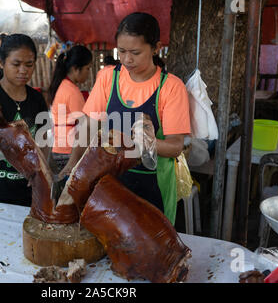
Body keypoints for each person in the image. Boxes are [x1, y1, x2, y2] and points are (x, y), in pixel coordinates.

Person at [60, 12, 191, 225]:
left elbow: (176, 146)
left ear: (155, 47)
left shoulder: (171, 87)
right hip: (110, 181)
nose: (127, 59)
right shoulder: (108, 77)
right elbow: (89, 125)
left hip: (153, 184)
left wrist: (143, 141)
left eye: (135, 52)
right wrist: (74, 163)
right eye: (121, 51)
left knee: (148, 244)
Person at [0, 34, 49, 206]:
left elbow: (43, 142)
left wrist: (40, 174)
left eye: (29, 65)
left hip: (27, 191)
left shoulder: (36, 99)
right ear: (1, 62)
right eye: (16, 64)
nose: (23, 70)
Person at [48, 45, 92, 173]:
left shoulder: (62, 85)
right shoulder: (72, 91)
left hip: (59, 148)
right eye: (87, 68)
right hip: (69, 152)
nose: (88, 73)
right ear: (75, 69)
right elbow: (86, 124)